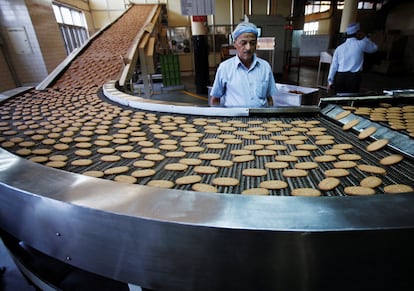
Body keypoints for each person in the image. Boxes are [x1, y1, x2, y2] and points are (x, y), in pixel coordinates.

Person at [209, 21, 277, 107]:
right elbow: (215, 100)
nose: (248, 48)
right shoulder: (225, 68)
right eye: (243, 43)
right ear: (235, 44)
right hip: (234, 118)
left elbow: (269, 98)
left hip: (261, 117)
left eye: (252, 43)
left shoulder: (265, 67)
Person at [327, 22, 378, 94]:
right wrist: (365, 38)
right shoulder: (362, 44)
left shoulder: (339, 48)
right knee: (350, 101)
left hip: (340, 77)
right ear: (358, 33)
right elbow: (374, 48)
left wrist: (330, 81)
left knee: (339, 100)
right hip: (353, 78)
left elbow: (334, 66)